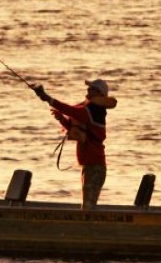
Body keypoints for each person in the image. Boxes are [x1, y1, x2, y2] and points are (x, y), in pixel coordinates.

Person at [33, 79, 117, 209]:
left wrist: (47, 98)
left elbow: (70, 110)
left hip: (95, 167)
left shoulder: (94, 111)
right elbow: (75, 126)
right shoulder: (90, 110)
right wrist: (61, 119)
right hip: (89, 166)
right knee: (87, 206)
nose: (88, 91)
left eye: (92, 89)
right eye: (88, 88)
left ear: (99, 93)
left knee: (88, 208)